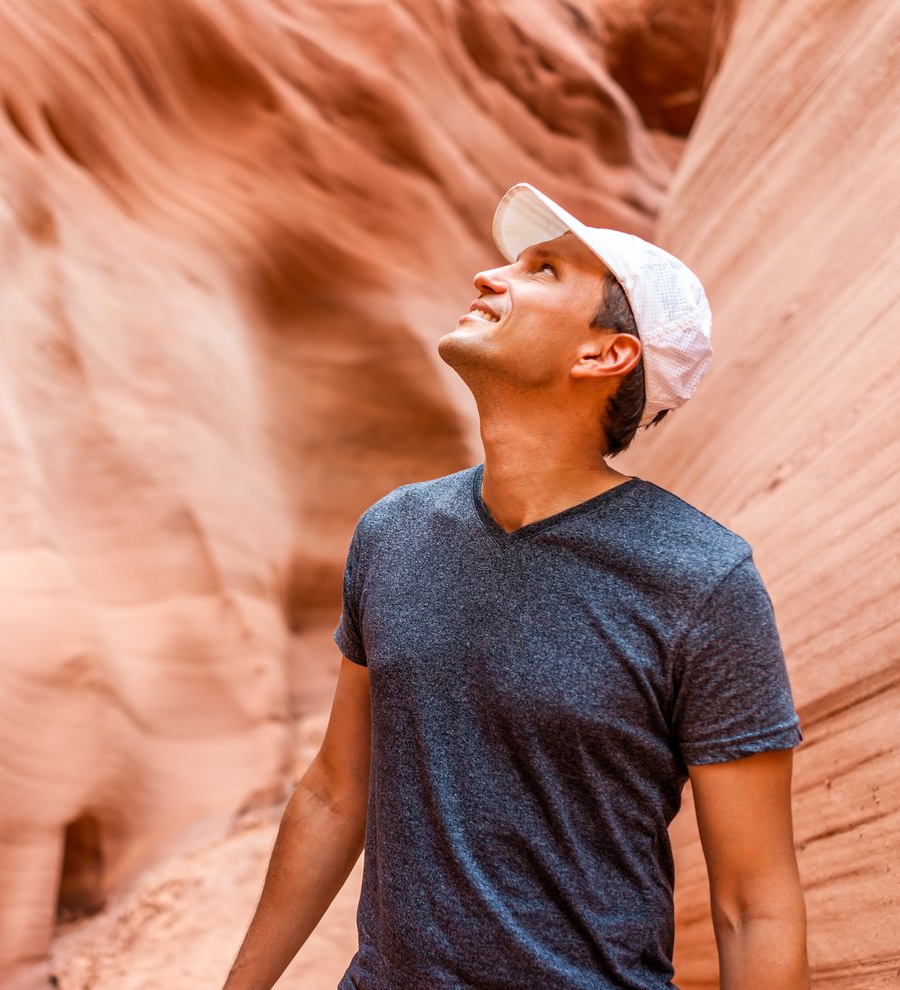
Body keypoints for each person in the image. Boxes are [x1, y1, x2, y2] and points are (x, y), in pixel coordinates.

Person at [222, 183, 809, 989]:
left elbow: (754, 902)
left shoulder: (702, 582)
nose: (490, 277)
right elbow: (334, 793)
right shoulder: (393, 532)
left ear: (605, 355)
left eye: (541, 270)